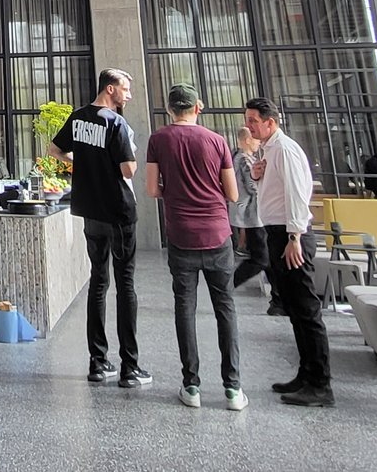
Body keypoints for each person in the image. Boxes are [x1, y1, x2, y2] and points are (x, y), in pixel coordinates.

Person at [145, 85, 245, 411]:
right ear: (197, 107)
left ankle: (191, 386)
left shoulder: (159, 140)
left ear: (169, 109)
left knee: (184, 309)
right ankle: (233, 389)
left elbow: (152, 189)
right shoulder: (216, 141)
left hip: (181, 236)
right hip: (218, 234)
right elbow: (232, 194)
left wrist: (175, 190)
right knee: (225, 309)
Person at [48, 67, 147, 388]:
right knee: (126, 285)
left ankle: (97, 362)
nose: (128, 95)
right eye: (125, 89)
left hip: (90, 211)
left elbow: (53, 149)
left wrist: (80, 165)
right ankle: (130, 368)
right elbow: (129, 170)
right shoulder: (116, 123)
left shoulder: (77, 118)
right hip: (118, 211)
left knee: (98, 284)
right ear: (110, 89)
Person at [244, 97, 333, 408]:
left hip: (291, 235)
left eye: (254, 120)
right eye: (249, 120)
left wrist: (295, 235)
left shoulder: (284, 149)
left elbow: (297, 193)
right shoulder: (268, 150)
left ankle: (321, 384)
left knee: (306, 310)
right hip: (278, 232)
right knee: (294, 309)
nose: (250, 125)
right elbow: (274, 191)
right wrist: (257, 175)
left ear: (271, 122)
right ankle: (306, 374)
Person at [230, 126, 277, 313]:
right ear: (247, 140)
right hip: (252, 215)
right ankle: (228, 284)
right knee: (261, 258)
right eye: (255, 139)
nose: (258, 141)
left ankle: (278, 299)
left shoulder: (241, 158)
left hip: (253, 215)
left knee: (267, 258)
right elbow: (253, 185)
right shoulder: (244, 159)